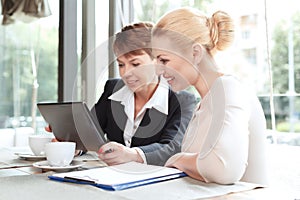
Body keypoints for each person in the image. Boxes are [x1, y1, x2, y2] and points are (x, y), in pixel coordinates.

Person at [151, 8, 268, 185]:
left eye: (164, 60)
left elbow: (223, 169)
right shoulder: (206, 101)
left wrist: (177, 160)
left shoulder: (228, 89)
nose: (158, 70)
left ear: (195, 53)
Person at [91, 22, 196, 166]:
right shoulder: (112, 89)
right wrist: (71, 141)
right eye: (121, 64)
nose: (126, 73)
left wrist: (132, 155)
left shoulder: (182, 100)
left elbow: (172, 148)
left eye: (135, 64)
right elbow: (90, 130)